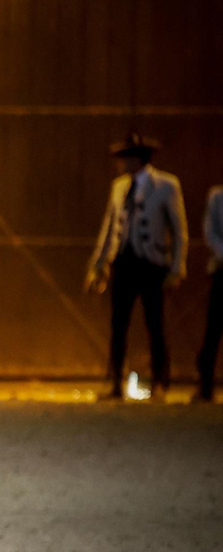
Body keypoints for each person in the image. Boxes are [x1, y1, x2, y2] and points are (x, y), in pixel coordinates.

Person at [85, 132, 188, 401]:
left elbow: (179, 230)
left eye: (126, 158)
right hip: (124, 261)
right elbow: (109, 227)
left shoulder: (166, 185)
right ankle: (116, 382)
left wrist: (177, 267)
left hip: (151, 263)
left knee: (155, 325)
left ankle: (160, 384)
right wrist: (99, 264)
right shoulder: (119, 186)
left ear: (138, 159)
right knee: (118, 324)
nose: (121, 164)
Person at [196, 184, 223, 403]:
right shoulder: (217, 196)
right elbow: (209, 231)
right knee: (213, 330)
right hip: (221, 269)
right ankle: (205, 386)